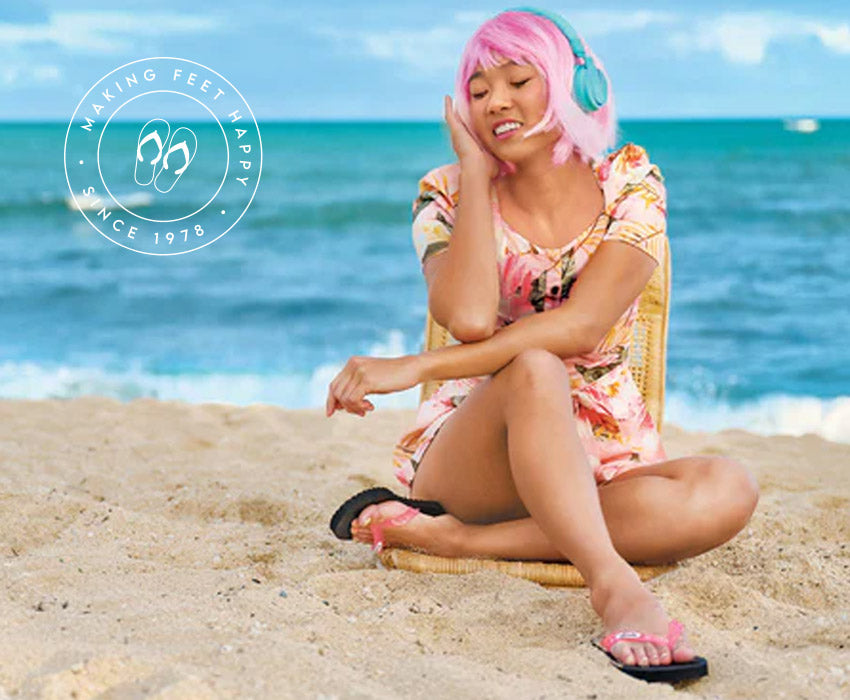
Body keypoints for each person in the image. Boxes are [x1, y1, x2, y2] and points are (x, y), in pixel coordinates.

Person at [325, 8, 759, 675]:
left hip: (602, 450)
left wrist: (416, 366)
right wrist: (474, 172)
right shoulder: (441, 195)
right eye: (478, 91)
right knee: (532, 366)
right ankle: (612, 583)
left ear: (574, 87)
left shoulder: (631, 183)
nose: (496, 101)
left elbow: (582, 328)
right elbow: (469, 314)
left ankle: (466, 543)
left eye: (518, 80)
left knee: (729, 487)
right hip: (479, 445)